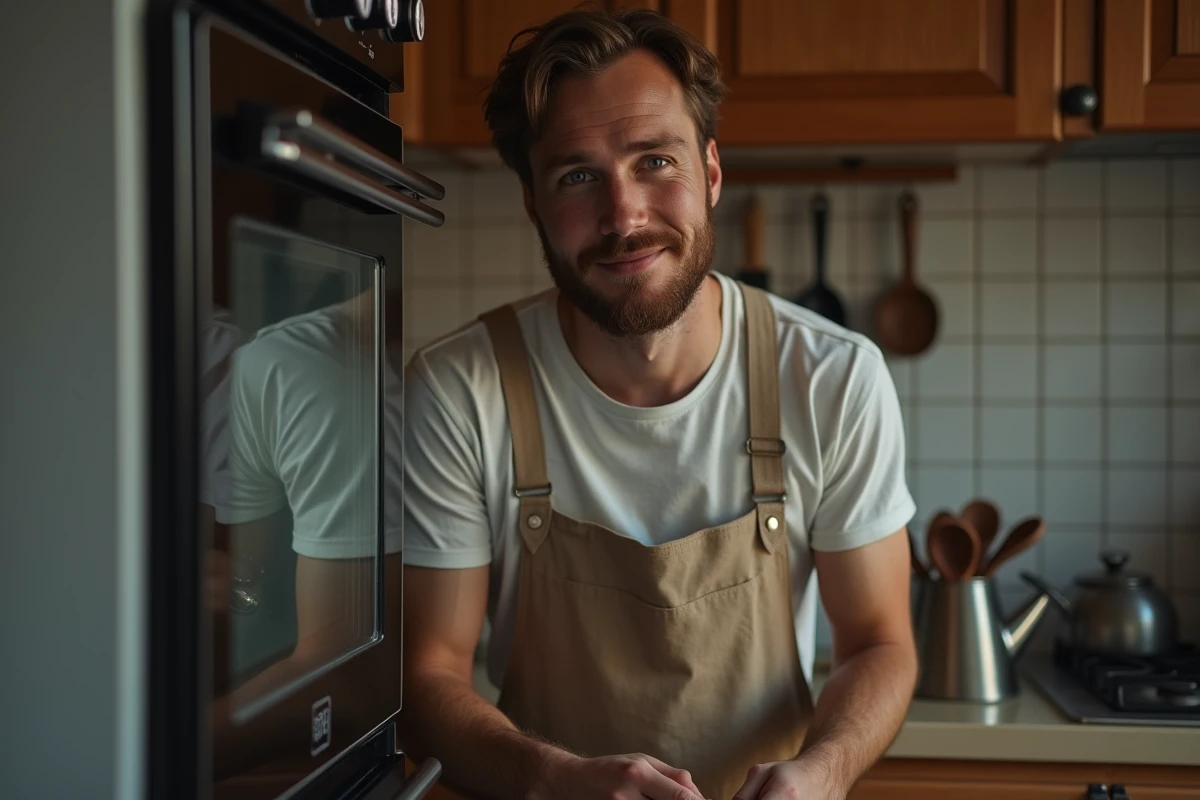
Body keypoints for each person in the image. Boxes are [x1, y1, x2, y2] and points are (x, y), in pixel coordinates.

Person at [400, 9, 918, 800]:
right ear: (534, 203)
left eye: (654, 161)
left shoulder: (832, 379)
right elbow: (428, 671)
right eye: (577, 175)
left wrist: (822, 772)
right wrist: (547, 776)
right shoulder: (459, 391)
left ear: (710, 173)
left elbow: (881, 642)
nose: (625, 216)